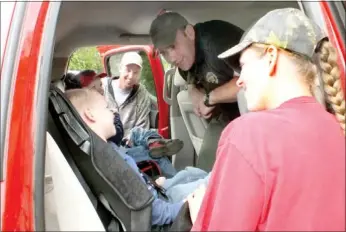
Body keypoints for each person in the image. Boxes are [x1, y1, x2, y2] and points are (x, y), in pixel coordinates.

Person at [187, 8, 345, 231]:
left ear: (271, 57)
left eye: (243, 66)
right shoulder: (336, 127)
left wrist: (201, 215)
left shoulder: (249, 135)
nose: (239, 81)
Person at [64, 88, 208, 227]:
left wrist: (153, 184)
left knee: (191, 173)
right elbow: (154, 213)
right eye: (107, 108)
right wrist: (188, 206)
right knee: (213, 181)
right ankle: (154, 143)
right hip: (167, 208)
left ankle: (155, 144)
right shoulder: (112, 162)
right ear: (90, 114)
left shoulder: (101, 152)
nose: (114, 112)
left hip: (156, 192)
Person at [149, 11, 244, 170]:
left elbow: (250, 81)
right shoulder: (185, 61)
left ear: (189, 33)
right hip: (227, 117)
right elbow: (188, 76)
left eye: (173, 46)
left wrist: (209, 98)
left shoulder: (217, 41)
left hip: (256, 114)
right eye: (164, 52)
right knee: (205, 167)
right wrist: (193, 90)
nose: (171, 58)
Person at [102, 52, 154, 137]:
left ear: (140, 74)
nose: (131, 76)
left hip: (128, 146)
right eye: (128, 70)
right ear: (120, 68)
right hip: (104, 141)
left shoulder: (141, 93)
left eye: (135, 72)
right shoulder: (103, 86)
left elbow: (142, 127)